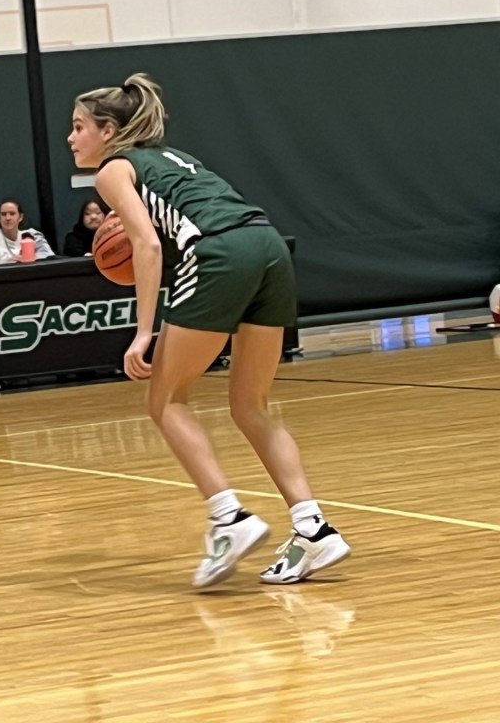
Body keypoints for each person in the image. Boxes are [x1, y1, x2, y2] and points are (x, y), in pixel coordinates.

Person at [67, 72, 350, 587]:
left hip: (219, 252)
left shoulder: (113, 171)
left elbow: (146, 246)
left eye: (79, 126)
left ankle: (228, 519)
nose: (71, 137)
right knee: (250, 405)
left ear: (108, 131)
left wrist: (143, 332)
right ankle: (313, 529)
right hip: (268, 246)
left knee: (164, 400)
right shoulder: (173, 158)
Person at [0, 199, 55, 266]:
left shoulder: (33, 235)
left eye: (12, 213)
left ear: (20, 217)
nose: (8, 218)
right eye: (3, 214)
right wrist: (9, 261)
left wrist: (27, 259)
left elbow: (49, 257)